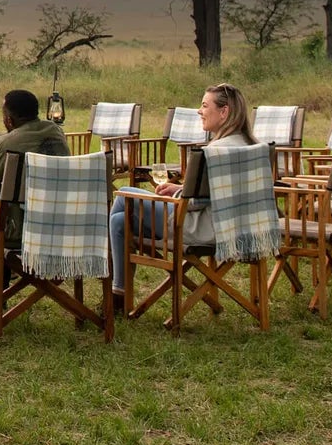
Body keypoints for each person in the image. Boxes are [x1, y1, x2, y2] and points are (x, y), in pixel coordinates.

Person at [108, 83, 254, 312]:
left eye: (205, 105)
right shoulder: (249, 146)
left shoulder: (214, 152)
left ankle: (114, 294)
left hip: (200, 228)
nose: (199, 111)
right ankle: (118, 294)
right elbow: (213, 195)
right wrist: (178, 188)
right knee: (119, 220)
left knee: (123, 195)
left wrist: (177, 193)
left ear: (224, 112)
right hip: (233, 226)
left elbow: (195, 202)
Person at [0, 88, 70, 246]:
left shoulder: (4, 144)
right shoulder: (56, 131)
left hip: (18, 231)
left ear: (9, 121)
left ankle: (1, 261)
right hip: (61, 227)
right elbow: (25, 135)